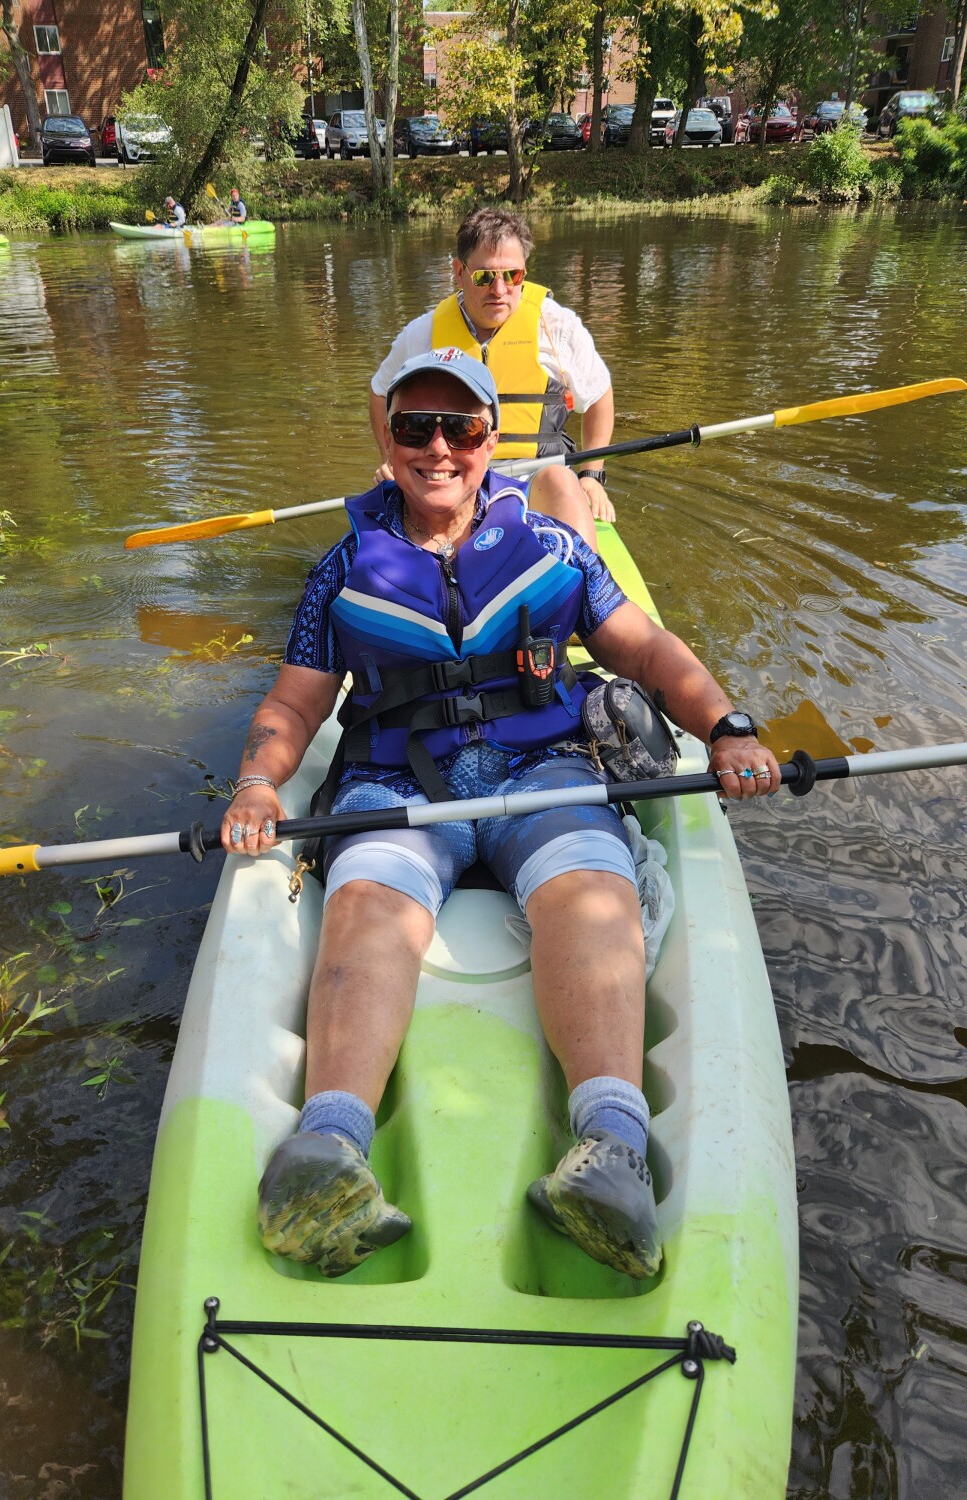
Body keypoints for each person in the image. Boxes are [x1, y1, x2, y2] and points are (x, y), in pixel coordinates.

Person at [222, 346, 779, 1282]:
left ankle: (608, 1152)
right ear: (389, 440)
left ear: (489, 441)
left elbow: (644, 650)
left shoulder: (554, 550)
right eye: (414, 427)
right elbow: (292, 709)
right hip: (398, 786)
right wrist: (256, 781)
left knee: (591, 892)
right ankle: (329, 1149)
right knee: (365, 905)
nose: (436, 447)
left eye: (460, 427)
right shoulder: (341, 570)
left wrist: (726, 727)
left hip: (544, 768)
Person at [370, 206, 617, 552]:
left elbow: (599, 394)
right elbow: (380, 392)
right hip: (453, 476)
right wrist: (391, 458)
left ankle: (581, 580)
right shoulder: (423, 333)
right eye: (485, 277)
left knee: (563, 481)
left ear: (524, 274)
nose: (499, 290)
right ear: (459, 272)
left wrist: (591, 476)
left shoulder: (557, 326)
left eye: (512, 276)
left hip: (538, 476)